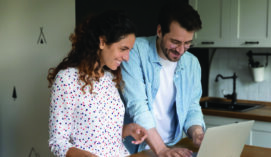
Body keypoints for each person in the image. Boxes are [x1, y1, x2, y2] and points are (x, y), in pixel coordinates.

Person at [47, 10, 147, 157]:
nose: (127, 58)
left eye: (129, 50)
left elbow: (100, 134)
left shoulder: (109, 77)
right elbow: (57, 142)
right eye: (123, 49)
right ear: (102, 42)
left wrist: (127, 129)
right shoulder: (67, 79)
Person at [121, 2, 205, 157]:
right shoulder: (135, 52)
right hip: (137, 149)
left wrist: (197, 133)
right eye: (175, 42)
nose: (180, 51)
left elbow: (192, 107)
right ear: (160, 31)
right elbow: (138, 107)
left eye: (187, 43)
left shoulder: (192, 63)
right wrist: (161, 149)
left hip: (173, 146)